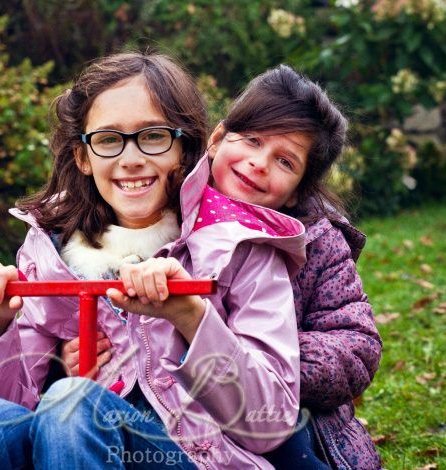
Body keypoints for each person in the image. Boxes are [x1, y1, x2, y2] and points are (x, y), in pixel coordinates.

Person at [0, 52, 307, 470]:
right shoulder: (50, 251)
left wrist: (192, 318)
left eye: (153, 136)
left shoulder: (239, 246)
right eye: (109, 139)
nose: (130, 158)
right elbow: (9, 411)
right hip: (76, 445)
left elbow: (269, 422)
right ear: (83, 158)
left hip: (193, 457)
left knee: (74, 404)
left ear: (183, 150)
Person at [62, 65, 383, 469]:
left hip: (283, 421)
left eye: (285, 161)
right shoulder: (167, 207)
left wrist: (260, 348)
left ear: (297, 191)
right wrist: (78, 351)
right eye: (251, 140)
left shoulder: (318, 241)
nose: (259, 163)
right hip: (178, 410)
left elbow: (356, 344)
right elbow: (123, 315)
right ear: (216, 139)